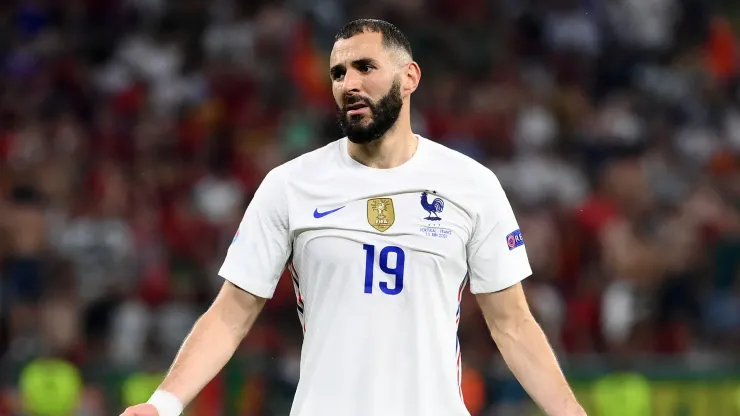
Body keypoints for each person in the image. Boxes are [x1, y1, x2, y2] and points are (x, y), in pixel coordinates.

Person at [121, 19, 586, 416]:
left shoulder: (472, 185)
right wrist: (163, 404)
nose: (349, 83)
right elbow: (231, 314)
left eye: (365, 67)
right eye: (338, 72)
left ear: (409, 77)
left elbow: (512, 323)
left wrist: (570, 412)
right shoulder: (290, 185)